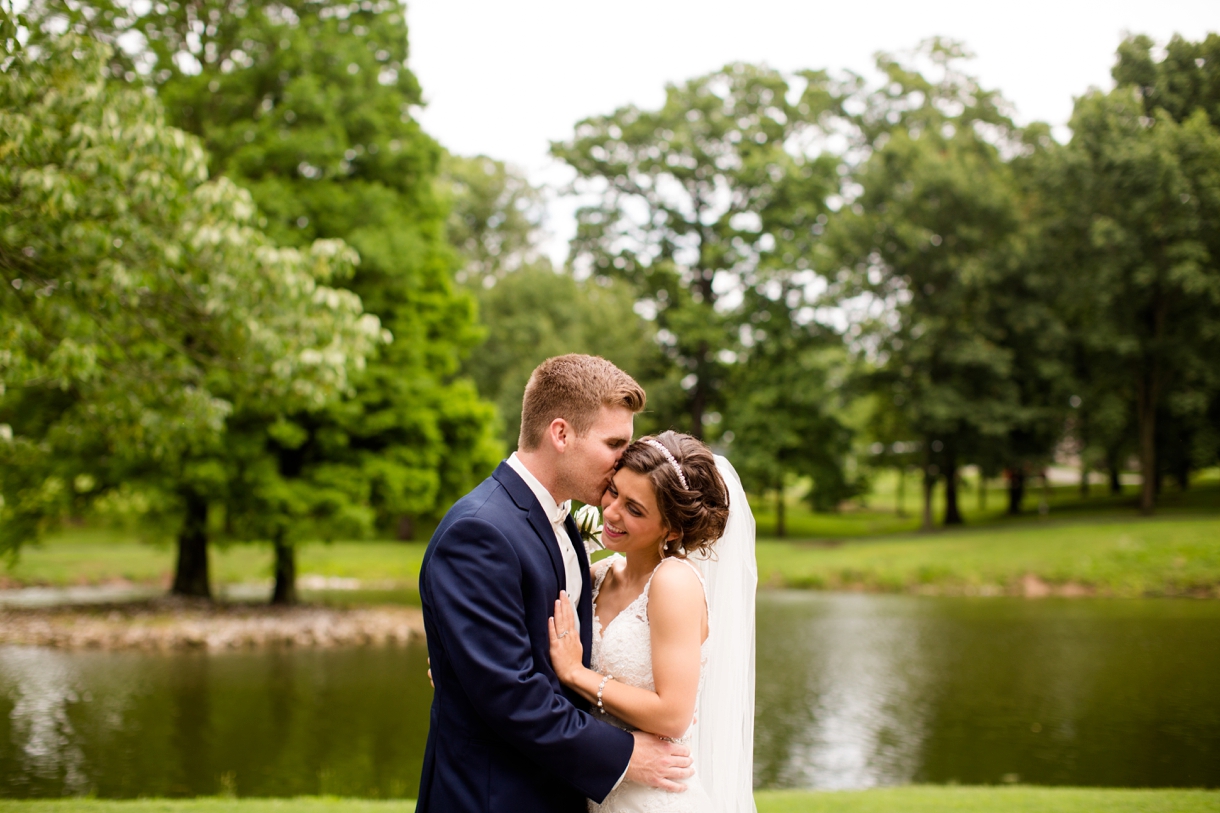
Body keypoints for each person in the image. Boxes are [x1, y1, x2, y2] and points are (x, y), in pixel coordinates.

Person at [416, 355, 695, 813]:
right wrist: (625, 754)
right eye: (614, 443)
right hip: (493, 797)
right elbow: (511, 694)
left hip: (557, 789)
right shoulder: (480, 531)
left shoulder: (561, 522)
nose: (625, 460)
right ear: (561, 434)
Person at [549, 431, 758, 813]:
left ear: (673, 530)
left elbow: (674, 716)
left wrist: (577, 674)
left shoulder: (672, 582)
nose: (611, 512)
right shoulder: (599, 575)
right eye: (613, 491)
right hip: (604, 788)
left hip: (654, 798)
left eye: (635, 508)